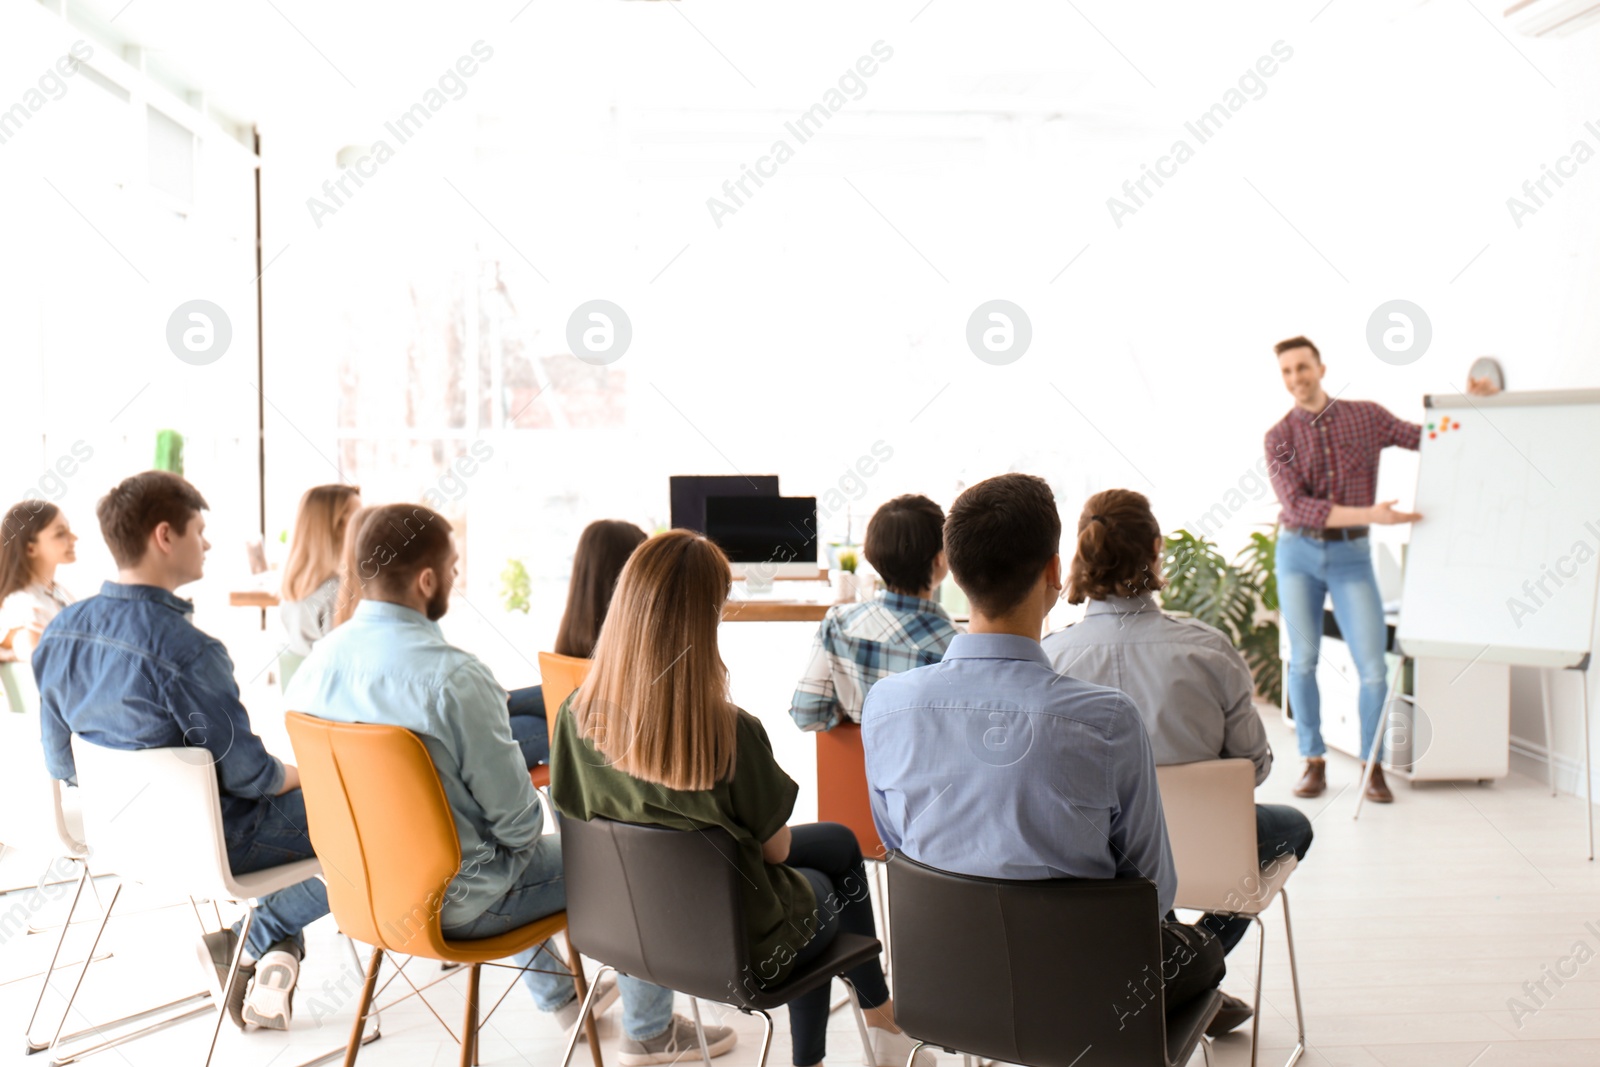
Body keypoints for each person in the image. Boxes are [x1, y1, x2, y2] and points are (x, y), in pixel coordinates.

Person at [286, 506, 731, 1064]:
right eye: (451, 567)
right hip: (459, 904)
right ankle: (649, 1032)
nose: (454, 578)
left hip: (363, 894)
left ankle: (564, 998)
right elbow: (519, 826)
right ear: (427, 580)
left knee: (495, 854)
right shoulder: (453, 677)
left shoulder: (315, 666)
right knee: (629, 858)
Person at [862, 473, 1245, 1036]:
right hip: (1088, 1001)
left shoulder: (888, 706)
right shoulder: (1107, 719)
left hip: (947, 988)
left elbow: (897, 846)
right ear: (1051, 571)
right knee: (1200, 954)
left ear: (954, 573)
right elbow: (1153, 894)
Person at [549, 530, 928, 1067]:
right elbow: (774, 854)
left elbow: (571, 816)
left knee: (837, 843)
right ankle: (849, 1042)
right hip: (738, 950)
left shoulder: (574, 715)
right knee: (819, 882)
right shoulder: (727, 733)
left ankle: (882, 1026)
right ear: (704, 620)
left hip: (625, 934)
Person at [33, 471, 328, 1031]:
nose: (208, 543)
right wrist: (305, 774)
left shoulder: (61, 632)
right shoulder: (187, 650)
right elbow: (250, 776)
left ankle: (265, 947)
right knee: (371, 813)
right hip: (219, 843)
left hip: (123, 840)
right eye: (200, 530)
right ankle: (254, 937)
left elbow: (61, 764)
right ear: (165, 536)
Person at [1042, 488, 1313, 956]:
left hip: (1098, 860)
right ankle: (1194, 962)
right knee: (1294, 827)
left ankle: (1174, 969)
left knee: (1129, 844)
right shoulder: (1210, 650)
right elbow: (1254, 769)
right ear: (1155, 549)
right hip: (1205, 847)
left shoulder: (1050, 659)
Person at [1266, 336, 1422, 803]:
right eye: (1287, 371)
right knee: (1304, 660)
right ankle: (1313, 761)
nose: (1296, 378)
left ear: (1321, 367)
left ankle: (1372, 765)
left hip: (1352, 557)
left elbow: (1423, 436)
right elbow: (1299, 507)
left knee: (1373, 668)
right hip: (1298, 554)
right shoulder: (1279, 437)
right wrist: (1372, 514)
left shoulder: (1367, 417)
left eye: (1303, 367)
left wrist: (1471, 408)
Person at [788, 495, 960, 732]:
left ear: (872, 555)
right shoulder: (956, 646)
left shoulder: (838, 623)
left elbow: (807, 714)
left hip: (855, 769)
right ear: (941, 558)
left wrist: (856, 711)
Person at [505, 519, 647, 768]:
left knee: (522, 713)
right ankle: (484, 708)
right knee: (536, 714)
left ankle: (481, 708)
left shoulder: (575, 628)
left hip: (577, 747)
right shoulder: (643, 633)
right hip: (600, 750)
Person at [278, 484, 362, 684]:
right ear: (337, 527)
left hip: (306, 706)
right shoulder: (338, 594)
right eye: (359, 518)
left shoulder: (292, 592)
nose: (366, 526)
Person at [0, 500, 78, 663]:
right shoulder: (22, 607)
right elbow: (41, 669)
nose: (73, 538)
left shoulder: (58, 592)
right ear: (30, 549)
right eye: (60, 533)